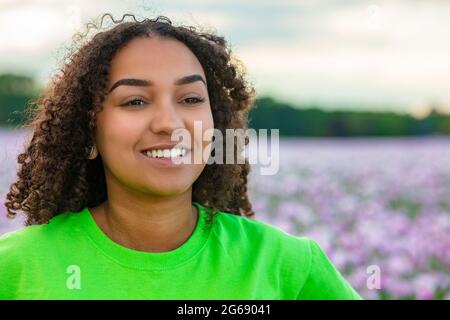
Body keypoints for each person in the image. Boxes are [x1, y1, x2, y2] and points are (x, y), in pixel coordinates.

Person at [0, 13, 362, 300]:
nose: (170, 123)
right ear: (89, 131)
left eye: (190, 99)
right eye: (135, 101)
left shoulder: (288, 265)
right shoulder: (13, 267)